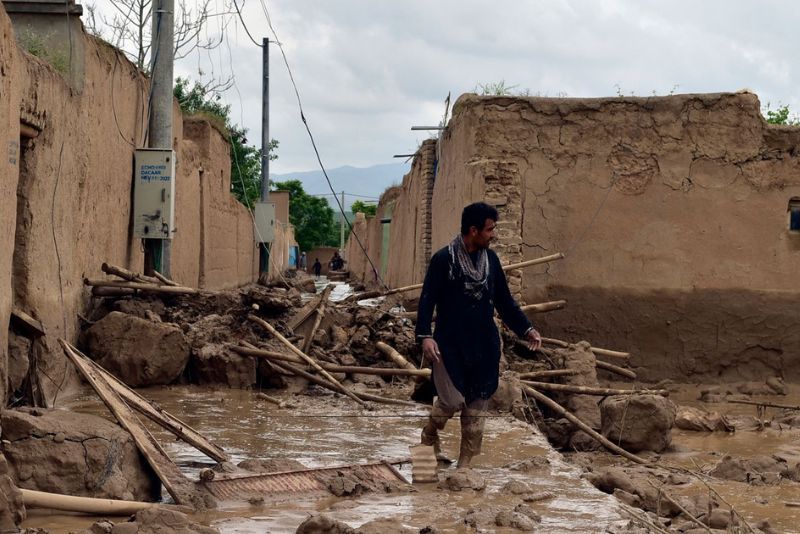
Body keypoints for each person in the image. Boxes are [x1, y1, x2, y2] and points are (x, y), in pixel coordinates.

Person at [415, 202, 542, 468]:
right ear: (473, 231)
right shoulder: (444, 260)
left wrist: (526, 329)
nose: (493, 234)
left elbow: (505, 303)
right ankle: (428, 436)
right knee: (450, 401)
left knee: (475, 412)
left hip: (484, 347)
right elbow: (427, 301)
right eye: (490, 229)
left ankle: (463, 469)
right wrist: (426, 336)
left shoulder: (491, 261)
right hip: (449, 346)